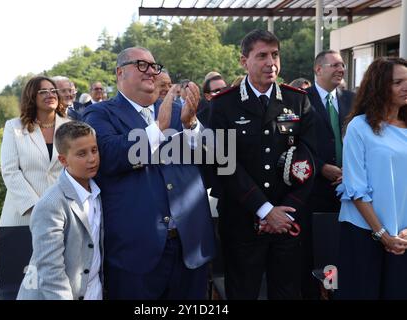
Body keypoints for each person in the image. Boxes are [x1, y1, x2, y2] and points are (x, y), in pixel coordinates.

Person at [83, 46, 216, 300]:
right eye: (141, 65)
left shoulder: (179, 111)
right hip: (136, 251)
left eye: (154, 66)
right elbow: (110, 156)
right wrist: (157, 129)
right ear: (120, 72)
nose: (151, 71)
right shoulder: (99, 113)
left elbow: (212, 156)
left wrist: (191, 126)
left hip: (190, 245)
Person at [209, 29, 316, 299]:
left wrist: (286, 212)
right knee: (242, 292)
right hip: (242, 221)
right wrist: (265, 210)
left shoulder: (297, 100)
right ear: (244, 61)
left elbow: (309, 160)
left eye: (275, 55)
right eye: (262, 56)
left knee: (287, 292)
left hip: (288, 220)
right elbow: (226, 165)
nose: (271, 63)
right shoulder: (224, 105)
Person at [336, 57, 407, 299]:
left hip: (403, 237)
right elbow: (355, 187)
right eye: (398, 82)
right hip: (364, 232)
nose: (405, 87)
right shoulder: (359, 127)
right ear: (379, 87)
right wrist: (382, 234)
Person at [0, 75, 70, 299]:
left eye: (53, 90)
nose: (50, 95)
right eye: (43, 91)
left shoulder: (71, 127)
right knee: (23, 285)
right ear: (31, 96)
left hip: (64, 215)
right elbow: (10, 171)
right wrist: (39, 208)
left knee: (60, 281)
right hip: (23, 216)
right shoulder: (14, 127)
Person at [17, 121, 102, 300]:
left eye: (94, 150)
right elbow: (50, 272)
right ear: (63, 160)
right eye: (81, 154)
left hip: (93, 289)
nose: (91, 159)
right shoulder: (51, 204)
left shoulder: (98, 191)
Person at [306, 50, 355, 213]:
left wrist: (349, 172)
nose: (341, 69)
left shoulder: (353, 99)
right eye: (335, 65)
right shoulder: (301, 100)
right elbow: (295, 143)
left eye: (342, 65)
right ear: (318, 69)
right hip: (314, 189)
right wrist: (320, 167)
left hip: (351, 188)